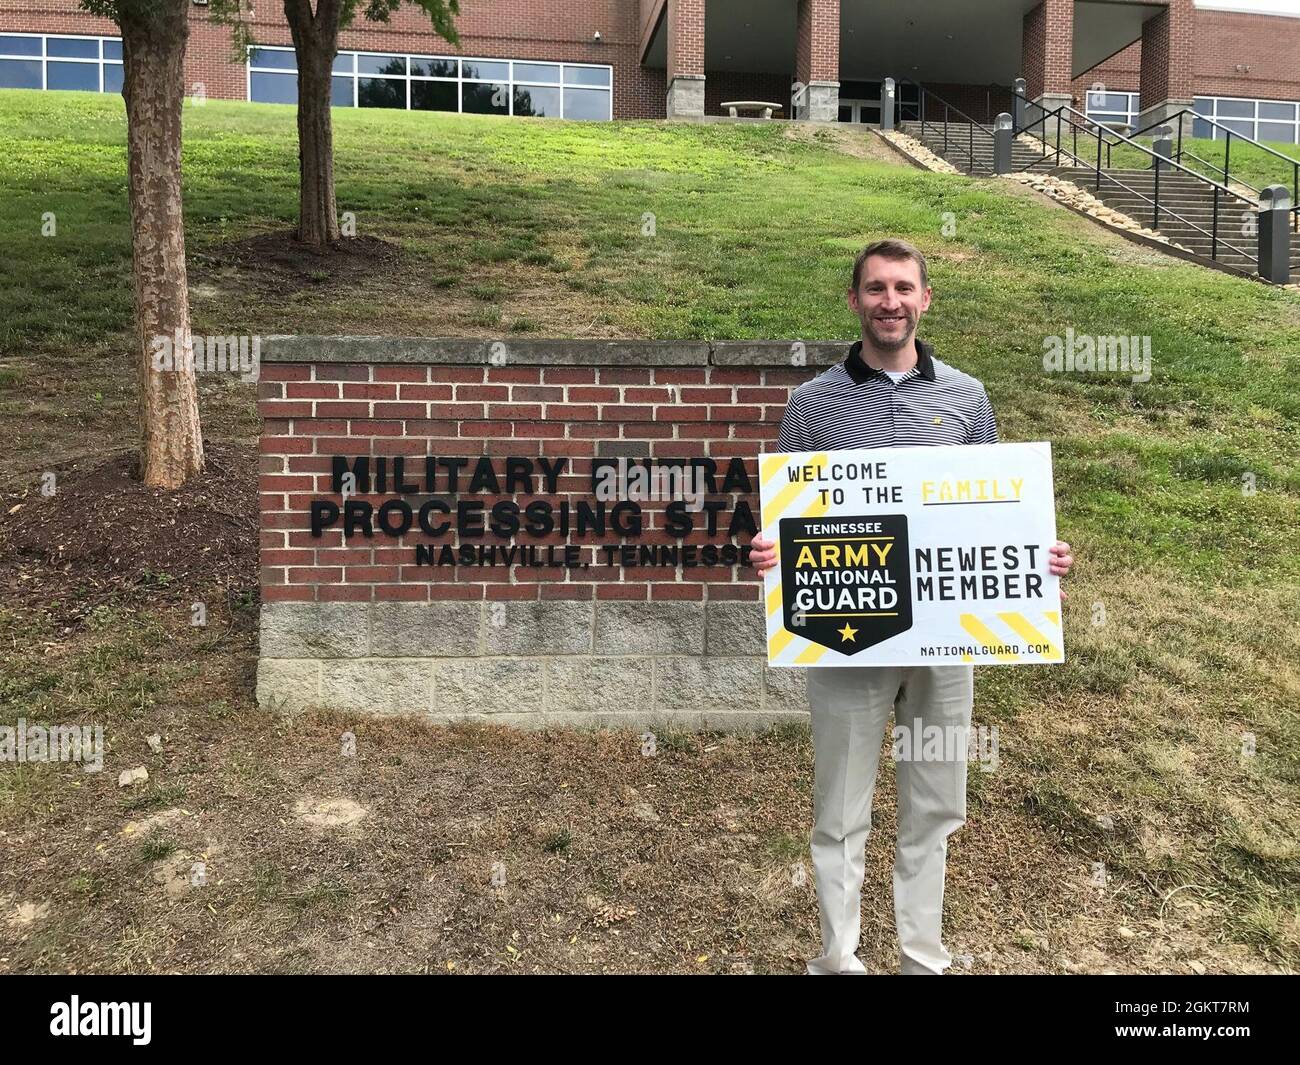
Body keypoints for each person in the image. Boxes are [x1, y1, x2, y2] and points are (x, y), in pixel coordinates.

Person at [749, 238, 1075, 975]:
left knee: (935, 803)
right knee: (839, 809)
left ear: (925, 298)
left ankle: (921, 958)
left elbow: (1000, 511)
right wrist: (770, 553)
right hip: (846, 638)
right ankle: (838, 958)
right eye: (874, 288)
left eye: (902, 287)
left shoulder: (968, 397)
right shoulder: (812, 404)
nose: (888, 300)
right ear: (855, 300)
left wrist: (1042, 557)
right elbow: (782, 521)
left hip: (944, 644)